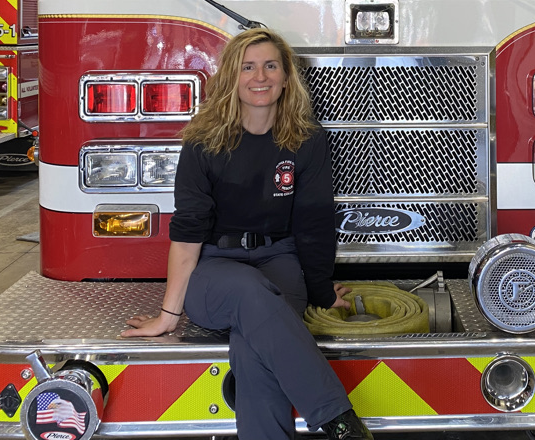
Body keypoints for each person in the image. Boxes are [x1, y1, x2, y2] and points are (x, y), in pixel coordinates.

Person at [122, 27, 373, 440]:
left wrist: (321, 291)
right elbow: (187, 231)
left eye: (271, 66)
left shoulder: (308, 141)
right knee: (250, 293)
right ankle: (338, 420)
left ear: (287, 76)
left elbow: (312, 223)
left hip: (280, 260)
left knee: (252, 350)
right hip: (216, 270)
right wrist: (169, 316)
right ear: (231, 79)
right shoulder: (203, 142)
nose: (261, 77)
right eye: (249, 67)